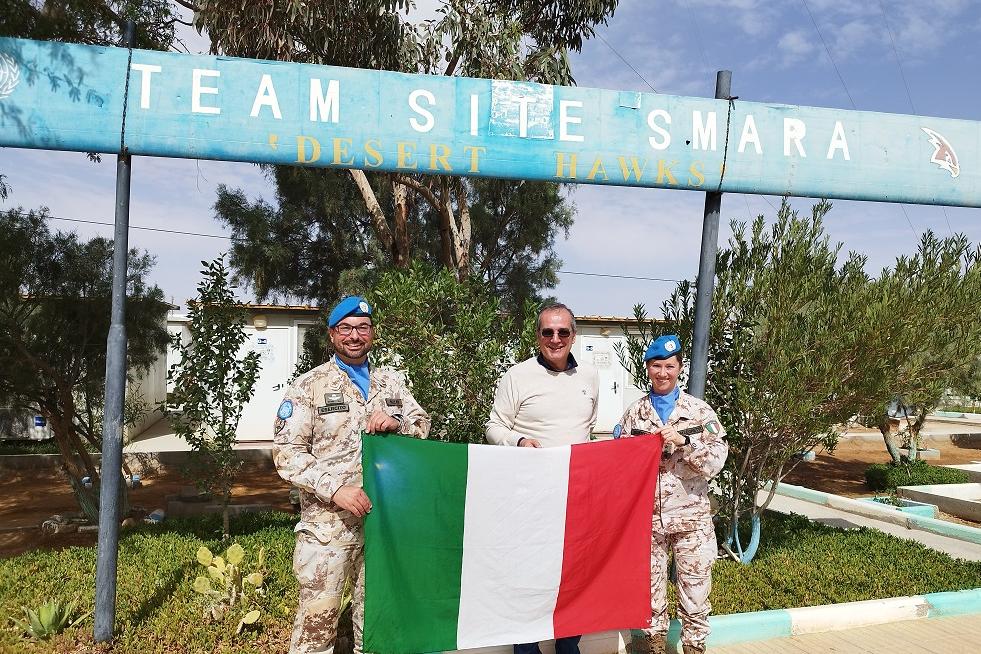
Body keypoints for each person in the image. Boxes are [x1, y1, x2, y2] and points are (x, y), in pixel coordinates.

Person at [273, 295, 431, 654]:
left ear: (372, 332)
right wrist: (336, 490)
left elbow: (422, 424)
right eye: (346, 328)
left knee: (374, 623)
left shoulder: (390, 382)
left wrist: (398, 422)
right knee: (316, 628)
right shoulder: (308, 387)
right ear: (332, 335)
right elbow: (287, 454)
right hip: (328, 528)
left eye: (362, 327)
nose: (355, 335)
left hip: (382, 524)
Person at [486, 302, 600, 654]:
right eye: (547, 332)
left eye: (562, 332)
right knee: (530, 575)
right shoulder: (516, 376)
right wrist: (517, 440)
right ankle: (527, 647)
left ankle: (568, 644)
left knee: (575, 573)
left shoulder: (590, 377)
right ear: (537, 336)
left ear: (573, 336)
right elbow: (493, 426)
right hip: (529, 498)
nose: (555, 338)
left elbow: (589, 429)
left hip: (576, 497)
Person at [614, 335, 727, 654]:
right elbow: (619, 463)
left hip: (692, 522)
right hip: (647, 523)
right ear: (647, 368)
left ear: (679, 368)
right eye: (656, 366)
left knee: (695, 596)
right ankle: (655, 648)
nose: (662, 372)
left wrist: (685, 442)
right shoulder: (634, 414)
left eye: (669, 366)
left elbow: (716, 459)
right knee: (651, 599)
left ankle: (693, 648)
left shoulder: (699, 412)